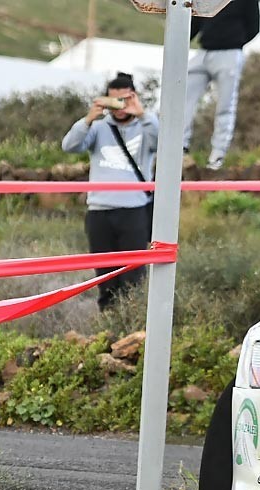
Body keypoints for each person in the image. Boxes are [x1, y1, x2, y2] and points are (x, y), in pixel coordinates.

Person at [62, 72, 159, 311]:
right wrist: (88, 119)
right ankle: (110, 326)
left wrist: (143, 114)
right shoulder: (98, 128)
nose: (120, 106)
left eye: (125, 100)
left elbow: (164, 142)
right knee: (105, 276)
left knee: (133, 276)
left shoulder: (146, 127)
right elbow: (70, 146)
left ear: (134, 98)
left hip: (134, 211)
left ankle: (133, 324)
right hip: (99, 212)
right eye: (114, 100)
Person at [184, 0, 260, 170]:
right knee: (184, 97)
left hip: (229, 53)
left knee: (225, 106)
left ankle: (217, 155)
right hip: (204, 51)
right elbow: (196, 19)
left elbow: (254, 27)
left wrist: (234, 41)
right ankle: (180, 146)